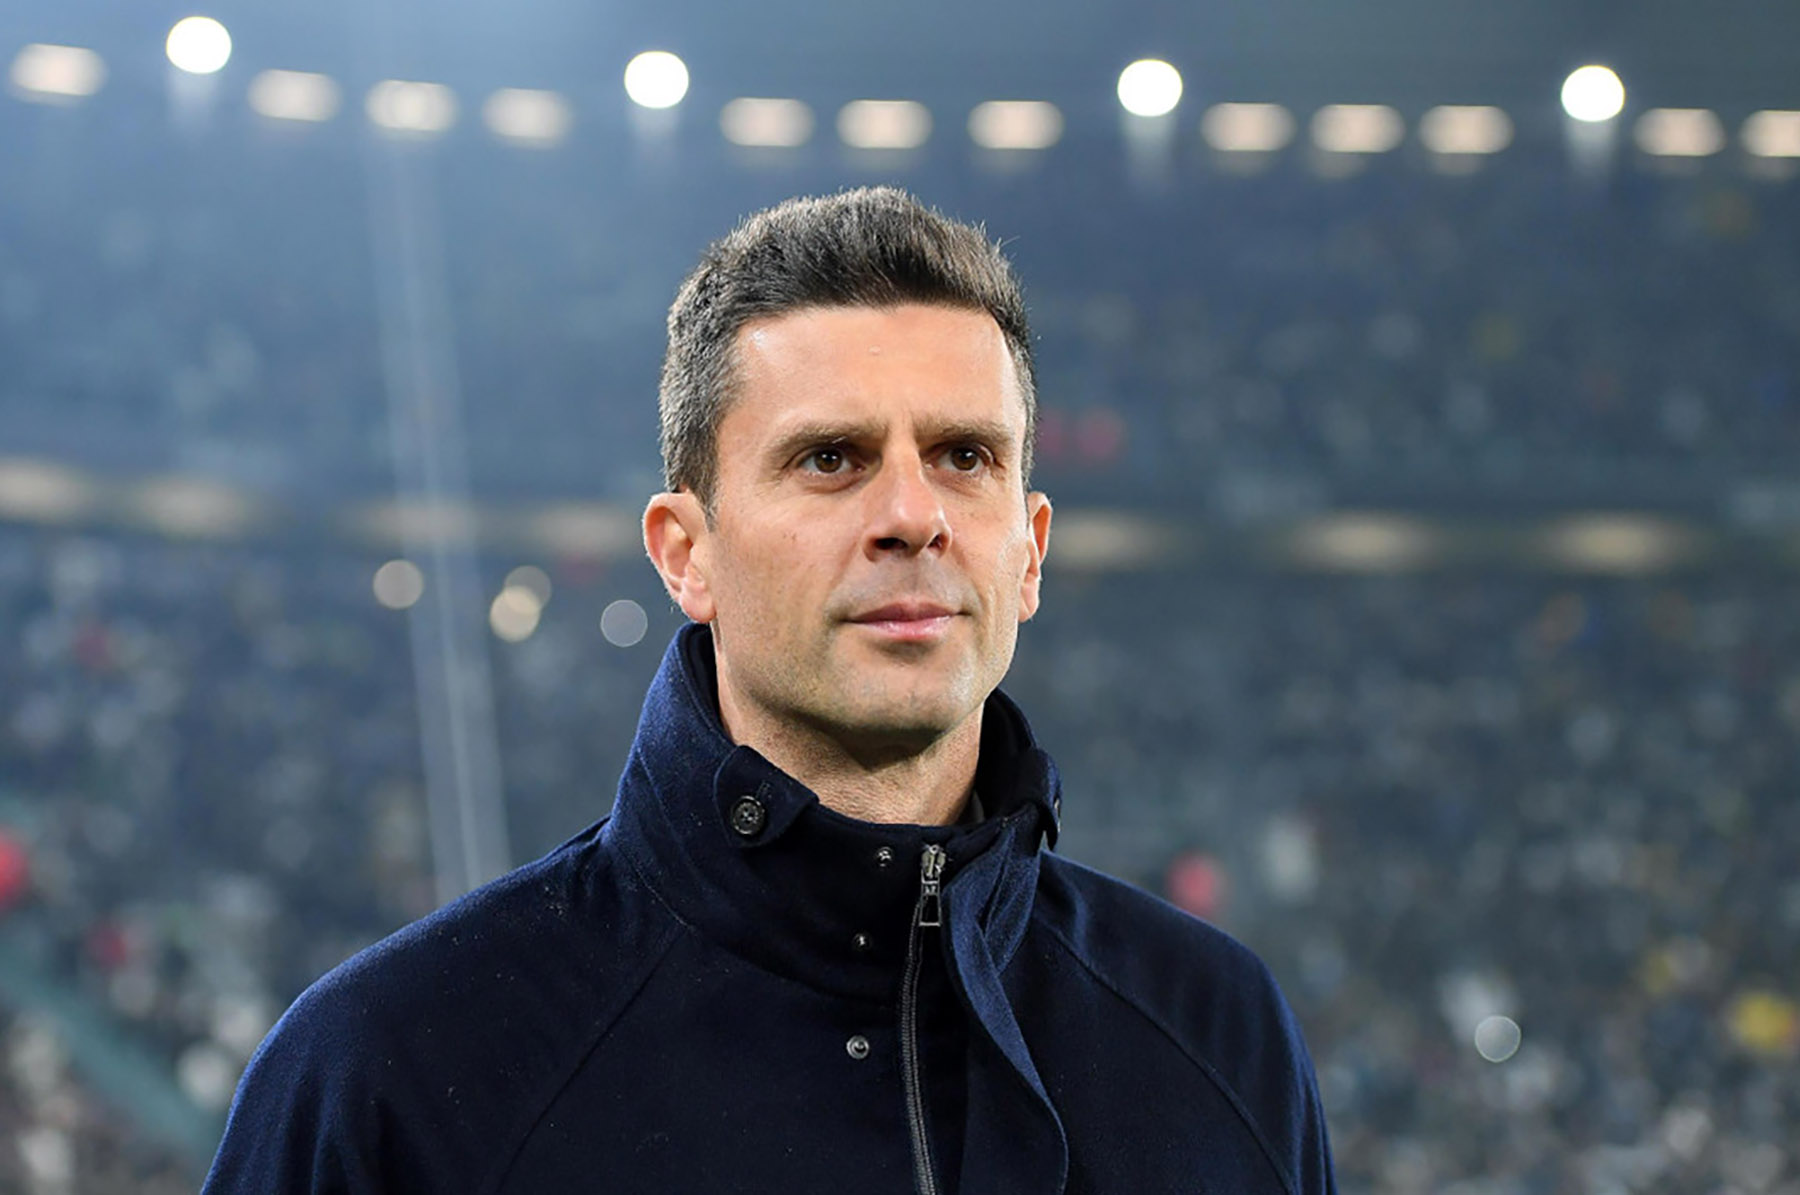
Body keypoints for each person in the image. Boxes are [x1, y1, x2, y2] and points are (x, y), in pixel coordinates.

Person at [203, 186, 1336, 1194]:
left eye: (965, 456)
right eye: (831, 458)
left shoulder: (1222, 1037)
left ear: (1030, 551)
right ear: (685, 552)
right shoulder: (392, 1075)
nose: (913, 515)